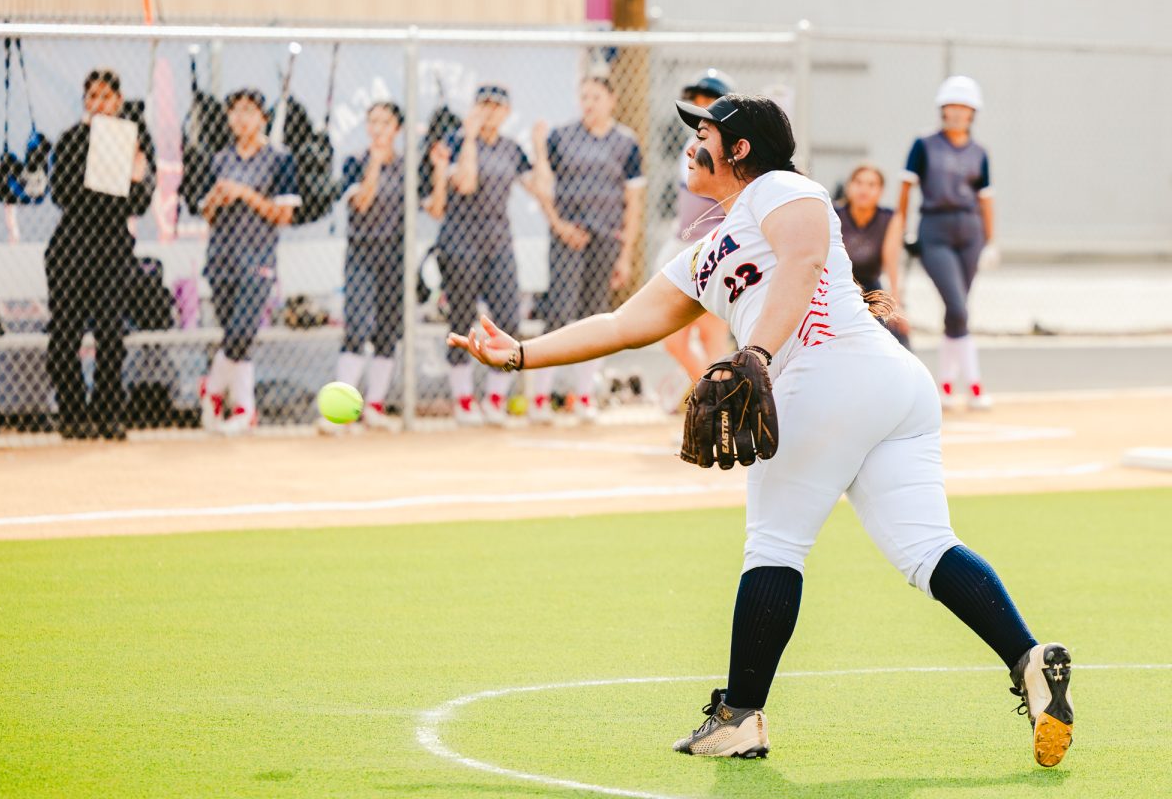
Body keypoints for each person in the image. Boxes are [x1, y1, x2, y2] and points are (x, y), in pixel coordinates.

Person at [448, 93, 1073, 768]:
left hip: (827, 379)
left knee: (774, 544)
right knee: (925, 548)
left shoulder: (779, 187)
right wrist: (519, 354)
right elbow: (620, 326)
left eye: (707, 134)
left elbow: (804, 261)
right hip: (891, 389)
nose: (692, 145)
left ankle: (740, 717)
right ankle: (1029, 659)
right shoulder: (704, 251)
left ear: (741, 150)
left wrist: (758, 356)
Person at [46, 68, 156, 441]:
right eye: (92, 97)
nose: (98, 104)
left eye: (106, 97)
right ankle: (73, 414)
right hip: (71, 248)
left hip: (112, 249)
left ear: (118, 101)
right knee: (65, 335)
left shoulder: (134, 141)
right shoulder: (72, 140)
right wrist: (107, 176)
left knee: (111, 334)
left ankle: (108, 414)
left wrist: (136, 175)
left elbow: (138, 204)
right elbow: (62, 194)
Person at [527, 75, 644, 423]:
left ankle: (583, 396)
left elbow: (632, 201)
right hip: (568, 237)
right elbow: (542, 186)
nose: (588, 103)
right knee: (559, 315)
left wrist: (625, 253)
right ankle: (540, 398)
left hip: (606, 239)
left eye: (596, 97)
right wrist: (558, 224)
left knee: (596, 318)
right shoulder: (561, 137)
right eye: (584, 97)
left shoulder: (626, 143)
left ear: (613, 99)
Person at [426, 84, 539, 426]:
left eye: (497, 107)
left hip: (497, 240)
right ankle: (463, 401)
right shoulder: (455, 142)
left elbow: (540, 186)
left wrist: (539, 151)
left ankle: (494, 399)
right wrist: (471, 138)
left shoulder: (511, 149)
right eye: (484, 106)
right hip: (460, 241)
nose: (490, 112)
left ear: (506, 112)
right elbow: (466, 183)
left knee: (507, 317)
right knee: (461, 316)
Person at [198, 89, 299, 435]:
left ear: (263, 117)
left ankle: (211, 390)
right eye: (235, 111)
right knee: (234, 338)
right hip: (222, 256)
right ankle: (244, 410)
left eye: (248, 111)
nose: (240, 118)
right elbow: (208, 215)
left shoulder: (280, 159)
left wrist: (246, 194)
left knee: (242, 332)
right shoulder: (220, 160)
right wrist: (215, 198)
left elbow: (283, 215)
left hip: (258, 257)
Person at [897, 75, 996, 410]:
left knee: (958, 313)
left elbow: (986, 198)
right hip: (935, 228)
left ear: (972, 114)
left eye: (964, 108)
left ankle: (948, 387)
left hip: (970, 231)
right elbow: (907, 189)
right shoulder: (924, 145)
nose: (957, 113)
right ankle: (975, 385)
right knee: (957, 306)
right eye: (951, 106)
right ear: (943, 110)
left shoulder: (980, 152)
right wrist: (902, 231)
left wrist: (990, 241)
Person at [318, 101, 408, 434]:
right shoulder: (355, 162)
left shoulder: (405, 166)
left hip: (394, 253)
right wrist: (374, 162)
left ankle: (374, 405)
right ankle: (339, 412)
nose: (378, 129)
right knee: (356, 326)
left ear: (397, 129)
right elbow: (363, 202)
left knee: (387, 330)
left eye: (385, 122)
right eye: (373, 122)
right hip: (362, 252)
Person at [660, 70, 735, 394]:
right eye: (697, 100)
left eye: (709, 100)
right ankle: (714, 398)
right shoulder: (690, 146)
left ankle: (719, 406)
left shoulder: (729, 149)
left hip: (713, 250)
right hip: (683, 247)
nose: (701, 107)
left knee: (711, 334)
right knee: (673, 339)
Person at [836, 163, 910, 348]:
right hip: (838, 287)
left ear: (881, 190)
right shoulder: (834, 214)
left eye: (871, 184)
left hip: (871, 288)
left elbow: (891, 262)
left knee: (894, 330)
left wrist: (896, 303)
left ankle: (905, 374)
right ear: (849, 187)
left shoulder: (891, 218)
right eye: (859, 182)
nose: (864, 189)